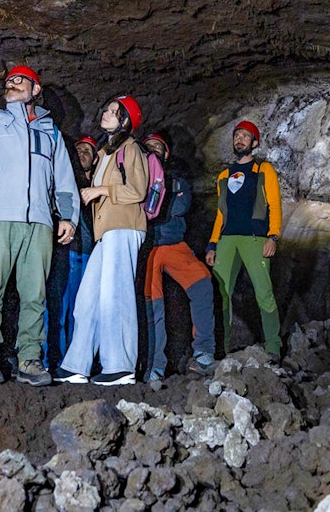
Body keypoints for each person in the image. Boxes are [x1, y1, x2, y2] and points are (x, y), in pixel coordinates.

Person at [0, 41, 80, 388]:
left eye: (19, 80)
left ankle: (30, 360)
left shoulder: (50, 133)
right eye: (8, 81)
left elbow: (64, 179)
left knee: (34, 295)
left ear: (35, 89)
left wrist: (67, 217)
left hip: (38, 223)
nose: (11, 84)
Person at [55, 97, 148, 386]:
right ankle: (76, 365)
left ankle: (120, 366)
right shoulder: (106, 151)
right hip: (105, 232)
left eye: (113, 112)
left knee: (114, 296)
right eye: (106, 109)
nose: (105, 113)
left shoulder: (131, 147)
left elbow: (138, 190)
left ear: (125, 121)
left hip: (124, 225)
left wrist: (100, 190)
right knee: (87, 299)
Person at [205, 120, 283, 361]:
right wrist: (212, 243)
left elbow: (274, 204)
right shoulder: (224, 175)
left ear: (255, 143)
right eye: (237, 135)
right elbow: (221, 213)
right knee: (222, 293)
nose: (240, 139)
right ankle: (223, 349)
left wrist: (274, 236)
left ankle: (273, 347)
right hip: (227, 239)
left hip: (255, 239)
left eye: (245, 136)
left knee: (264, 292)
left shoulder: (264, 170)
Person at [141, 133, 217, 380]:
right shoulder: (136, 177)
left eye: (158, 147)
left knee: (203, 282)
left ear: (166, 154)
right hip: (149, 246)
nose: (153, 150)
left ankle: (204, 354)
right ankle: (154, 366)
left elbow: (178, 208)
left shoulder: (177, 181)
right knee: (153, 304)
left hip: (174, 245)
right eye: (149, 146)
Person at [44, 135, 98, 369]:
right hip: (61, 249)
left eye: (88, 150)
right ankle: (53, 360)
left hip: (87, 251)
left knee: (82, 309)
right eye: (78, 149)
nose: (82, 153)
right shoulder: (62, 181)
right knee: (56, 306)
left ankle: (78, 361)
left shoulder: (98, 186)